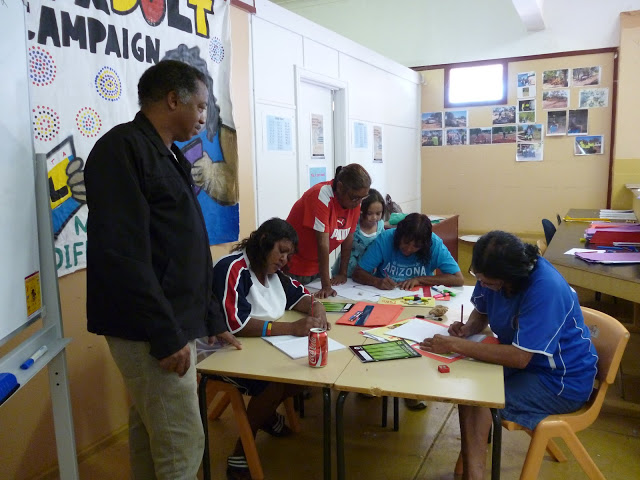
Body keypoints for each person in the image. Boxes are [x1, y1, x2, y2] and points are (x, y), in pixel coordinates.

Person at [85, 60, 241, 480]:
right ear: (174, 100)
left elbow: (180, 245)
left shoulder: (164, 152)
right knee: (182, 444)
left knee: (153, 436)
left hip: (168, 323)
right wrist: (166, 335)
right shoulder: (122, 150)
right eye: (201, 106)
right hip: (149, 331)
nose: (204, 117)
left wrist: (210, 317)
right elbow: (122, 255)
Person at [419, 231, 598, 480]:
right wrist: (469, 329)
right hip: (529, 365)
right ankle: (473, 470)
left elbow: (519, 357)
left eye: (488, 282)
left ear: (509, 279)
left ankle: (474, 474)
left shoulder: (546, 289)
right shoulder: (493, 273)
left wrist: (456, 345)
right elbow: (481, 311)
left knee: (482, 397)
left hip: (560, 380)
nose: (482, 284)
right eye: (477, 277)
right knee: (467, 391)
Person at [208, 218, 330, 479]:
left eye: (288, 254)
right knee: (274, 382)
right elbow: (234, 324)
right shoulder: (233, 268)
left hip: (263, 348)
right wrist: (291, 329)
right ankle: (242, 450)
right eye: (281, 251)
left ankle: (265, 415)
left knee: (304, 378)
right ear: (263, 242)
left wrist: (316, 307)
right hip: (222, 353)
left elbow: (300, 295)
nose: (285, 259)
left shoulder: (273, 273)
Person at [286, 164, 372, 298]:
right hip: (294, 266)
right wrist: (326, 286)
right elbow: (323, 244)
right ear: (340, 187)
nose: (358, 203)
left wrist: (342, 273)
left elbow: (348, 239)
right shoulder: (321, 195)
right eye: (355, 197)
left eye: (363, 198)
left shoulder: (354, 202)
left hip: (316, 270)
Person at [352, 213, 464, 290]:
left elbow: (458, 279)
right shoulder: (386, 239)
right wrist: (376, 282)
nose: (409, 249)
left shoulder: (433, 243)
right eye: (405, 242)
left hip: (421, 300)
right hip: (386, 297)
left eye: (416, 246)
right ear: (398, 236)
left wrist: (420, 280)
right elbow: (358, 273)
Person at [331, 188, 385, 278]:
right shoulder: (354, 224)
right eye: (369, 213)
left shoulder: (380, 226)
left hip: (367, 271)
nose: (374, 217)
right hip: (347, 269)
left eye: (378, 213)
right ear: (361, 211)